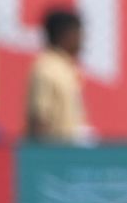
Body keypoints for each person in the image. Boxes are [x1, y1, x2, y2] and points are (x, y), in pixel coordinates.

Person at [26, 9, 89, 143]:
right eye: (78, 33)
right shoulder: (46, 68)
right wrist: (43, 156)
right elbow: (39, 117)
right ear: (65, 35)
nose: (81, 40)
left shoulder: (67, 68)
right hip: (54, 153)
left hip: (68, 150)